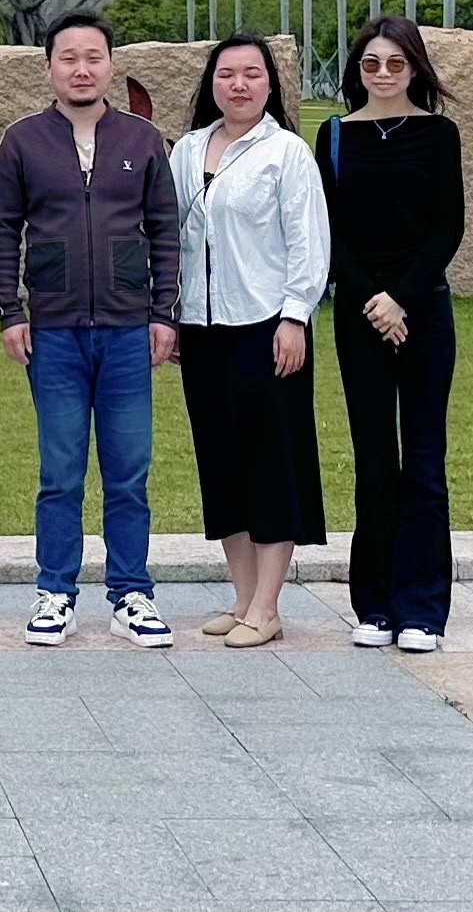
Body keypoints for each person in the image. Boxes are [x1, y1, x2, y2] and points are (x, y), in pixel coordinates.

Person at [0, 9, 181, 650]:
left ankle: (131, 592)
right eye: (68, 57)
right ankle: (55, 592)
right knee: (61, 470)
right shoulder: (22, 141)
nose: (81, 68)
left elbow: (164, 231)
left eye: (93, 57)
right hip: (55, 331)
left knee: (129, 470)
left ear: (110, 64)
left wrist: (162, 313)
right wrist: (12, 312)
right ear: (49, 67)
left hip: (128, 330)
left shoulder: (142, 140)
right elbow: (2, 232)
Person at [167, 34, 331, 649]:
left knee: (270, 462)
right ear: (211, 82)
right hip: (201, 328)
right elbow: (172, 238)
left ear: (270, 84)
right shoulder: (186, 151)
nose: (238, 85)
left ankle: (269, 604)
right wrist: (174, 313)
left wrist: (296, 317)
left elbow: (309, 242)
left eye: (252, 74)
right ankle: (240, 599)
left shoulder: (287, 152)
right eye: (227, 74)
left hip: (266, 326)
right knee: (221, 463)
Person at [316, 17, 464, 656]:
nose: (381, 74)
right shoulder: (333, 136)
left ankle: (423, 609)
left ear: (415, 70)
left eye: (395, 64)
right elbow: (326, 228)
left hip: (423, 309)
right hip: (359, 311)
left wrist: (400, 297)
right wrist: (373, 299)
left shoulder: (439, 135)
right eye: (371, 64)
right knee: (376, 460)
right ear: (356, 70)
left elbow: (446, 227)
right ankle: (373, 602)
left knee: (425, 462)